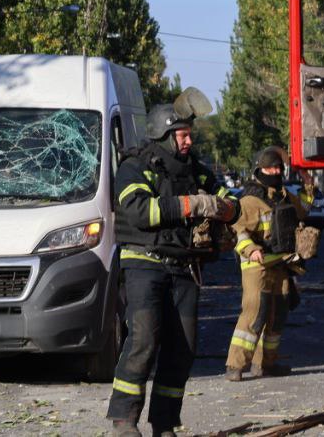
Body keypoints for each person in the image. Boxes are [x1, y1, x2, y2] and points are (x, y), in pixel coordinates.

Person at [108, 93, 238, 437]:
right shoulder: (135, 167)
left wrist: (224, 209)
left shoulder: (195, 169)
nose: (189, 140)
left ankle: (165, 423)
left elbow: (229, 202)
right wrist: (189, 205)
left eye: (190, 133)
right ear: (165, 135)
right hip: (144, 265)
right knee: (144, 339)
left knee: (183, 348)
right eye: (183, 134)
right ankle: (123, 420)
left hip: (184, 268)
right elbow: (139, 211)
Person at [225, 147, 306, 381]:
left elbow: (302, 212)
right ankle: (235, 365)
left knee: (277, 315)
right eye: (271, 167)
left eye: (279, 167)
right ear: (259, 170)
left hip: (281, 265)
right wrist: (251, 250)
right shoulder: (250, 200)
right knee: (254, 313)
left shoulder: (284, 196)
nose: (276, 171)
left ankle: (265, 364)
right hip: (256, 267)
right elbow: (238, 232)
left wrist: (308, 186)